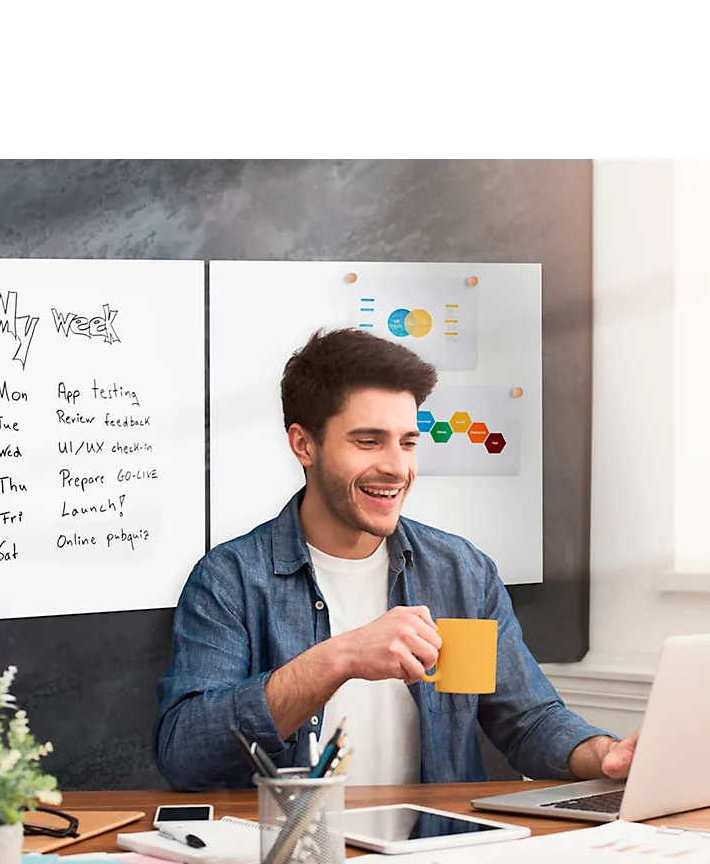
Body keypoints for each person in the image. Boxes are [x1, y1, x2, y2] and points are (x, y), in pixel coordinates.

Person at [154, 327, 638, 790]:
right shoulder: (230, 580)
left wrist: (603, 753)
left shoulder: (461, 573)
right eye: (368, 441)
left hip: (435, 858)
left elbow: (528, 721)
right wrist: (339, 657)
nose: (396, 467)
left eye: (407, 442)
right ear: (304, 444)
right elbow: (185, 754)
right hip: (299, 859)